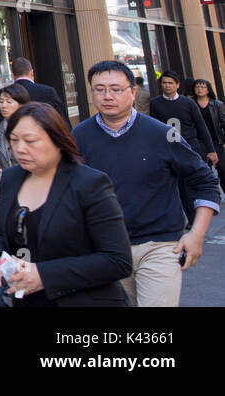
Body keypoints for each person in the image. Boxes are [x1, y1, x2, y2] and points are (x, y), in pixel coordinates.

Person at [73, 61, 219, 307]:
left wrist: (197, 234)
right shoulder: (78, 137)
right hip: (103, 248)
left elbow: (204, 180)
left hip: (159, 245)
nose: (107, 96)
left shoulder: (162, 134)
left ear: (133, 92)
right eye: (99, 89)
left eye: (116, 89)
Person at [0, 102, 131, 306]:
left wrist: (44, 275)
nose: (20, 149)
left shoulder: (89, 184)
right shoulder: (11, 178)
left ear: (57, 140)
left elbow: (118, 261)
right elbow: (1, 235)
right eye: (14, 140)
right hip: (26, 300)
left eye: (30, 141)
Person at [148, 72, 217, 168]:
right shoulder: (155, 103)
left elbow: (201, 126)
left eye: (170, 83)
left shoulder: (189, 103)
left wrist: (211, 150)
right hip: (168, 147)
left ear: (177, 85)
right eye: (164, 83)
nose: (167, 85)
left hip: (189, 146)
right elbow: (154, 127)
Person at [10, 57, 67, 121]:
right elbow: (63, 120)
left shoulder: (3, 94)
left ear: (12, 75)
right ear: (32, 73)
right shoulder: (48, 92)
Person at [0, 83, 31, 172]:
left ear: (21, 104)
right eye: (1, 101)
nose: (3, 106)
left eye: (8, 102)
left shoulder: (33, 126)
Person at [193, 79, 225, 178]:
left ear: (208, 90)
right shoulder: (191, 104)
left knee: (223, 169)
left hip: (216, 140)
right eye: (197, 87)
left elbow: (223, 122)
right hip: (199, 141)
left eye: (202, 87)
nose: (199, 89)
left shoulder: (217, 104)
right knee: (204, 170)